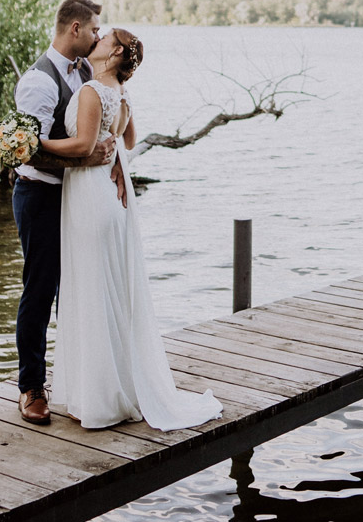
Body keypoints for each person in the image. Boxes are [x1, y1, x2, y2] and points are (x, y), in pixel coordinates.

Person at [41, 27, 223, 430]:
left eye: (106, 37)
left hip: (90, 196)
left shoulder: (92, 91)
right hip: (111, 198)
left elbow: (84, 146)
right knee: (108, 291)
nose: (99, 37)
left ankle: (100, 398)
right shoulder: (121, 93)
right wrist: (118, 166)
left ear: (116, 51)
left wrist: (34, 144)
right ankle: (111, 387)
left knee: (91, 289)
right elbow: (130, 139)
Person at [11, 0, 125, 425]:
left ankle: (79, 381)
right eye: (94, 29)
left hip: (79, 196)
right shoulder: (38, 83)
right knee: (40, 290)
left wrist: (113, 169)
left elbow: (107, 131)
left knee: (79, 290)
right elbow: (28, 152)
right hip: (40, 196)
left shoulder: (88, 73)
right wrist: (83, 160)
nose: (99, 35)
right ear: (74, 28)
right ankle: (30, 388)